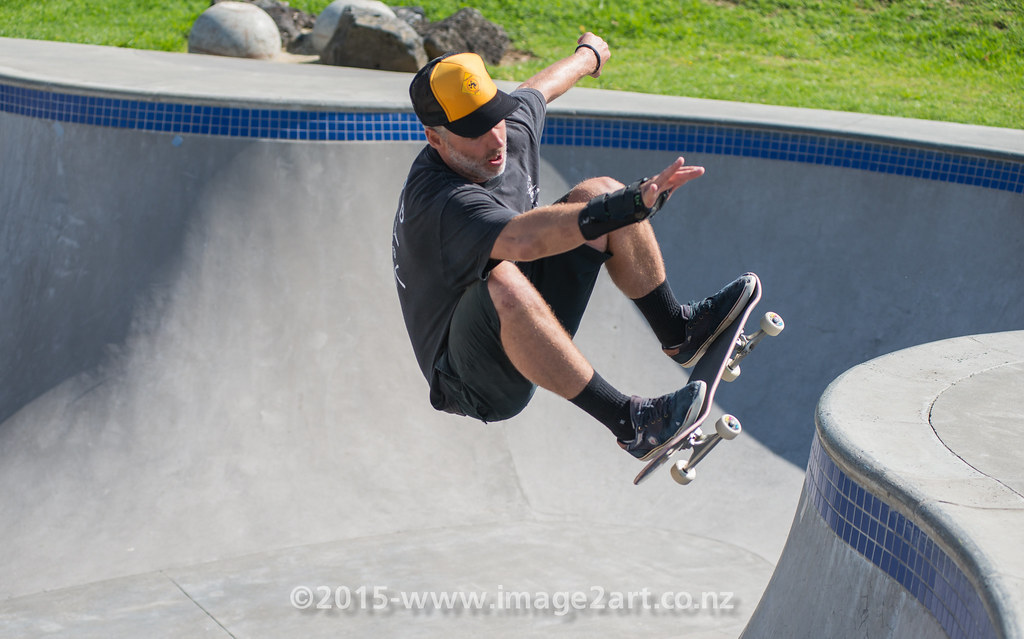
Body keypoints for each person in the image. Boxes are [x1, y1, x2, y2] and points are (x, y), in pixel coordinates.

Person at [392, 33, 755, 461]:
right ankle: (631, 424)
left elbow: (539, 90)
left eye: (495, 118)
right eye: (473, 132)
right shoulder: (439, 203)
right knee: (508, 274)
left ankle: (679, 331)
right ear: (436, 139)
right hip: (470, 378)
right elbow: (525, 240)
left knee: (600, 193)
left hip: (522, 310)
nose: (495, 140)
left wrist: (588, 57)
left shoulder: (509, 130)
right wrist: (630, 205)